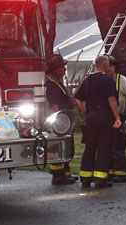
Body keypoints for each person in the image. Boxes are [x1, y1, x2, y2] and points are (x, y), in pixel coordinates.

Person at [73, 55, 122, 189]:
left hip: (91, 117)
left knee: (89, 147)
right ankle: (100, 180)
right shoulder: (108, 79)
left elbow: (77, 98)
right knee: (103, 146)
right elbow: (111, 99)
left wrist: (85, 111)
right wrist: (117, 117)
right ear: (105, 65)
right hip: (104, 116)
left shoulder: (88, 79)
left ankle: (85, 179)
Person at [44, 54, 78, 185]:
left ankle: (66, 173)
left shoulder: (59, 84)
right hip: (60, 122)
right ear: (54, 70)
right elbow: (55, 107)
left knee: (68, 148)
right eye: (61, 67)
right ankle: (58, 176)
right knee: (59, 148)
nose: (64, 68)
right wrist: (59, 124)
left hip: (66, 121)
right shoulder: (51, 86)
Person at [106, 55, 126, 183]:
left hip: (118, 118)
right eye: (106, 66)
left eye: (110, 66)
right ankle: (109, 172)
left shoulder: (122, 81)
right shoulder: (102, 81)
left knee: (118, 146)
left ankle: (121, 173)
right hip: (105, 119)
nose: (108, 69)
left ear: (115, 67)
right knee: (106, 147)